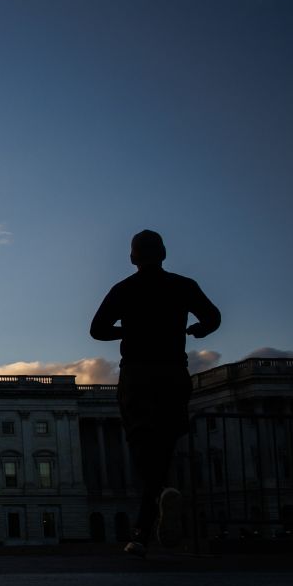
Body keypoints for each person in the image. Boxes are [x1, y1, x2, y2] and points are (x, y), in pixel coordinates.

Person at [91, 230, 220, 558]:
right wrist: (198, 330)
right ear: (163, 254)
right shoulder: (183, 286)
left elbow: (97, 330)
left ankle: (149, 516)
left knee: (140, 442)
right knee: (164, 445)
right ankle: (144, 527)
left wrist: (129, 329)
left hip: (137, 374)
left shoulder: (124, 289)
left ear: (132, 257)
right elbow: (213, 317)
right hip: (172, 371)